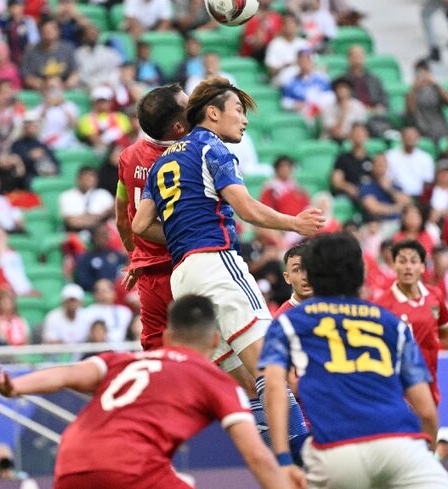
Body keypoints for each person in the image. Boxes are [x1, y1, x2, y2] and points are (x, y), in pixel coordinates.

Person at [132, 76, 322, 457]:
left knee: (251, 389)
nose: (244, 120)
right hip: (217, 264)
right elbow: (246, 207)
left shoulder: (163, 162)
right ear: (213, 113)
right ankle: (305, 466)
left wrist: (184, 236)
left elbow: (139, 224)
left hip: (184, 278)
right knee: (271, 371)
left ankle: (284, 470)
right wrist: (294, 223)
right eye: (238, 110)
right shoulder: (212, 148)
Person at [0, 294, 303, 489]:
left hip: (71, 461)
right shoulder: (215, 381)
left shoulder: (124, 361)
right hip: (129, 465)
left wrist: (14, 386)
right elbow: (256, 456)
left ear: (166, 335)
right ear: (213, 340)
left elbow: (68, 374)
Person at [259, 232, 448, 488]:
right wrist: (424, 456)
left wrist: (284, 460)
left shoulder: (287, 323)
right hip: (399, 445)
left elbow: (273, 389)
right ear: (361, 273)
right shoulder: (391, 323)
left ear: (313, 273)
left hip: (334, 450)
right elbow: (427, 411)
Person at [115, 84, 188, 351]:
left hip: (149, 273)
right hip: (189, 264)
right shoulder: (189, 157)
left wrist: (136, 256)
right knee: (210, 347)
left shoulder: (129, 156)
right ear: (178, 127)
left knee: (157, 350)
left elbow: (123, 219)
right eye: (188, 105)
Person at [375, 239, 448, 404]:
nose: (408, 266)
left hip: (429, 379)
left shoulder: (435, 296)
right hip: (396, 386)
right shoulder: (382, 305)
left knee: (429, 427)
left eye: (413, 261)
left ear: (422, 267)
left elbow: (445, 332)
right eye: (402, 261)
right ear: (394, 265)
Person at [275, 242, 313, 317]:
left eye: (310, 267)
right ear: (287, 277)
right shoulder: (281, 319)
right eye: (297, 270)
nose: (305, 276)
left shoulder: (335, 307)